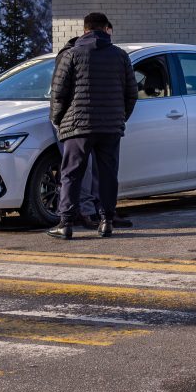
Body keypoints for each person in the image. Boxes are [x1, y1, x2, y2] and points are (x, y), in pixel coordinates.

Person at [47, 12, 137, 239]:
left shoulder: (72, 55)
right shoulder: (120, 56)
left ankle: (65, 224)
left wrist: (58, 120)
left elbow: (58, 93)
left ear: (85, 29)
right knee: (108, 174)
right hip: (110, 128)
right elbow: (132, 94)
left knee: (71, 174)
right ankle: (106, 221)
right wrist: (119, 118)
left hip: (78, 126)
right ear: (106, 28)